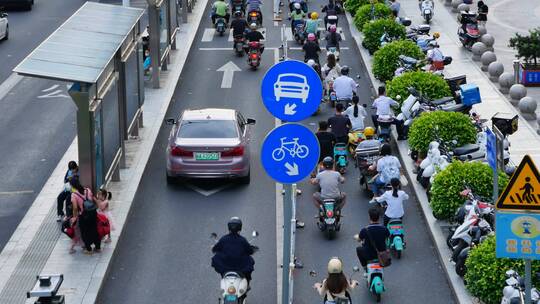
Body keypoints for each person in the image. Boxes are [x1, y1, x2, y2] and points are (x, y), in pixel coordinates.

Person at [211, 217, 255, 282]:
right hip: (240, 267)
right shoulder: (242, 240)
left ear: (229, 227)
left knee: (216, 258)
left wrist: (213, 248)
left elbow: (215, 249)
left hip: (226, 267)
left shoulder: (224, 239)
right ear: (240, 228)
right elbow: (250, 251)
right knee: (250, 260)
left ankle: (224, 277)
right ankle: (247, 281)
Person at [70, 178, 100, 254]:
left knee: (85, 232)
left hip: (84, 216)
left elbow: (75, 208)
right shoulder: (87, 190)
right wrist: (97, 206)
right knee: (94, 230)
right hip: (93, 213)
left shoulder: (74, 195)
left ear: (72, 186)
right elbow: (93, 199)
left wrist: (74, 217)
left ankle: (89, 249)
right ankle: (97, 247)